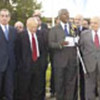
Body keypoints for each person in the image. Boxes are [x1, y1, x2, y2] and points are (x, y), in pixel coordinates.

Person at [14, 17, 47, 100]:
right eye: (32, 27)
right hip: (25, 67)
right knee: (25, 90)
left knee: (37, 89)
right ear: (27, 26)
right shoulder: (21, 36)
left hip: (38, 66)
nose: (34, 29)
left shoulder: (40, 35)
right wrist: (21, 66)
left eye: (35, 27)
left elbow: (44, 51)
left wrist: (43, 64)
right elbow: (17, 53)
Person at [49, 9, 78, 100]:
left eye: (68, 14)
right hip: (60, 61)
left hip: (71, 60)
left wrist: (76, 40)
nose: (67, 16)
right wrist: (60, 44)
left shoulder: (73, 28)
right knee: (60, 84)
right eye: (65, 14)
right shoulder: (54, 29)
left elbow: (77, 40)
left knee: (70, 84)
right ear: (60, 16)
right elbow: (50, 44)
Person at [80, 16, 100, 100]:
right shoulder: (84, 34)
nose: (93, 25)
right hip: (89, 65)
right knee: (89, 87)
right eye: (91, 23)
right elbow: (81, 48)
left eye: (95, 23)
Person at [0, 8, 17, 100]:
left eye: (6, 16)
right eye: (2, 16)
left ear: (9, 18)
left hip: (10, 65)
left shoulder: (13, 31)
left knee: (9, 90)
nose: (4, 18)